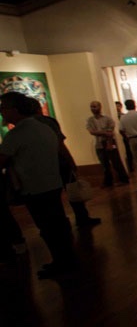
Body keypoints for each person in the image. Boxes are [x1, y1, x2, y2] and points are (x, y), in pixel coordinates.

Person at [0, 92, 78, 278]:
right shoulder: (44, 128)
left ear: (15, 110)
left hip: (34, 187)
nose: (2, 113)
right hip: (52, 183)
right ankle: (67, 260)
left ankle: (61, 263)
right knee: (58, 224)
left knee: (48, 227)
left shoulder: (16, 134)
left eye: (4, 108)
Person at [29, 99, 101, 229]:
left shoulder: (25, 126)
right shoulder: (48, 122)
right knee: (72, 189)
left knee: (52, 195)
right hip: (59, 161)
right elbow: (60, 144)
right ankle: (81, 217)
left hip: (41, 165)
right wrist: (70, 161)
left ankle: (60, 222)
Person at [86, 100, 130, 186]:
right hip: (99, 144)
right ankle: (108, 181)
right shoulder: (90, 120)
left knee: (116, 162)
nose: (93, 109)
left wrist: (104, 134)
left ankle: (123, 178)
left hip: (109, 141)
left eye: (94, 106)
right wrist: (104, 132)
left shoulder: (107, 118)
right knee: (104, 164)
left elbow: (110, 132)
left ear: (100, 107)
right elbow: (91, 131)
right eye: (91, 107)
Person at [115, 100, 133, 172]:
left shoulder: (124, 116)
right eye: (116, 106)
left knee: (129, 151)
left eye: (118, 106)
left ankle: (131, 166)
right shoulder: (114, 116)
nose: (117, 108)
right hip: (120, 135)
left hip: (126, 135)